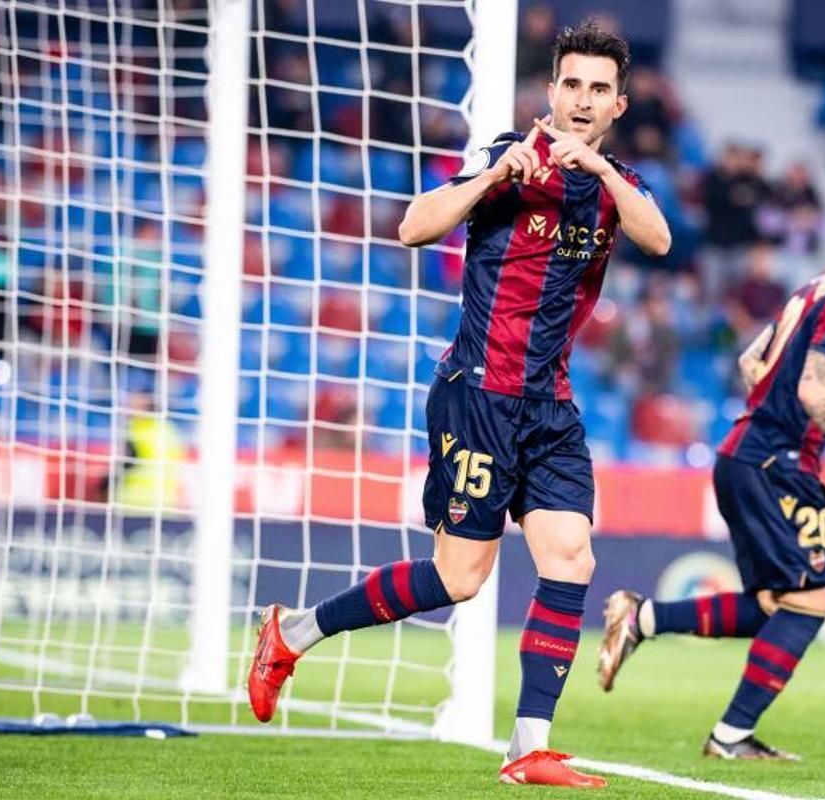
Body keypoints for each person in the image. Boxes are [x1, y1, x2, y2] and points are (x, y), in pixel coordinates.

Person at [245, 20, 670, 789]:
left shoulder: (620, 189)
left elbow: (661, 239)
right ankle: (293, 634)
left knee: (571, 557)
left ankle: (527, 746)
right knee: (459, 578)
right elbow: (413, 226)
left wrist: (600, 173)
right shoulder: (505, 155)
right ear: (551, 93)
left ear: (618, 106)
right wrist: (493, 178)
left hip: (551, 407)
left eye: (597, 90)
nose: (581, 100)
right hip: (477, 395)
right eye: (570, 85)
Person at [597, 187, 825, 760]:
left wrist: (774, 415)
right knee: (809, 602)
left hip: (746, 453)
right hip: (777, 463)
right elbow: (815, 387)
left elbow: (752, 360)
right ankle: (729, 737)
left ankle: (642, 617)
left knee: (778, 603)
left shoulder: (819, 285)